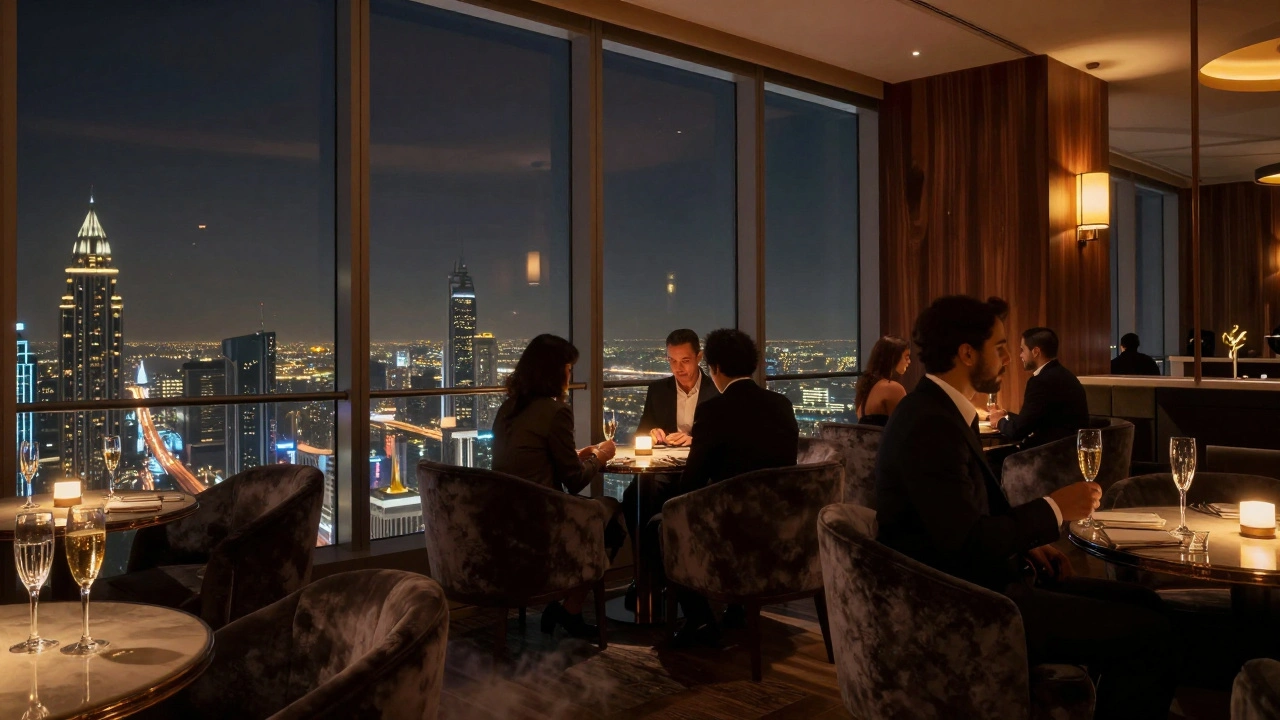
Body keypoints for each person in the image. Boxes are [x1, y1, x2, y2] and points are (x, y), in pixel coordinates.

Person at [875, 295, 1179, 720]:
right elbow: (966, 543)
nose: (1007, 358)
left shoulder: (940, 412)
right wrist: (1055, 507)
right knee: (1149, 632)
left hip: (987, 580)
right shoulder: (928, 424)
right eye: (999, 347)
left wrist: (1027, 547)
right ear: (966, 353)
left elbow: (963, 518)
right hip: (967, 606)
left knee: (1147, 603)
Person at [654, 328, 799, 647]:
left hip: (728, 528)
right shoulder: (782, 405)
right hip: (779, 524)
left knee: (662, 523)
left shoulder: (713, 411)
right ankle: (737, 610)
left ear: (714, 367)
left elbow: (691, 483)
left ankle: (700, 618)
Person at [492, 334, 619, 639]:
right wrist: (600, 456)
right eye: (568, 368)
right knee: (614, 515)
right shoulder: (555, 412)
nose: (570, 375)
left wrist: (578, 454)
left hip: (506, 522)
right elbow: (574, 482)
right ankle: (571, 608)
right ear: (555, 371)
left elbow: (527, 459)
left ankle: (566, 608)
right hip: (542, 524)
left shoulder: (507, 409)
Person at [989, 327, 1089, 449]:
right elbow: (1034, 419)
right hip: (1068, 452)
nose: (1020, 355)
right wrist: (1006, 414)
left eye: (1022, 350)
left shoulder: (1041, 382)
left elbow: (1018, 432)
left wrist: (999, 421)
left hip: (1048, 456)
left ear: (1036, 351)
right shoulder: (1065, 375)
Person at [636, 329, 720, 447]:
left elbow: (726, 438)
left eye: (685, 361)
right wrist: (652, 434)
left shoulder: (717, 391)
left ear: (699, 357)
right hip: (665, 462)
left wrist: (695, 441)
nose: (678, 368)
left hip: (704, 461)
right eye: (673, 361)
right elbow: (641, 433)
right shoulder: (657, 391)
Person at [854, 335, 910, 426]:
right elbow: (904, 426)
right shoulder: (892, 388)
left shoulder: (864, 391)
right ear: (893, 358)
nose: (909, 361)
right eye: (906, 357)